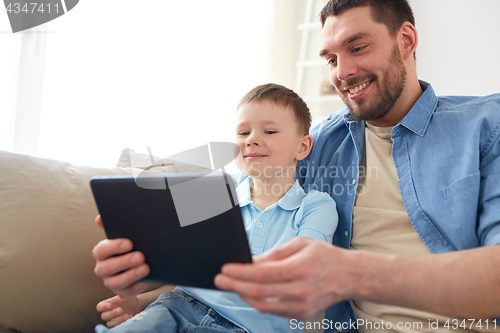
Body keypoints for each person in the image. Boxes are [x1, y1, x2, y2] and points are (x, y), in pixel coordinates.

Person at [93, 1, 500, 332]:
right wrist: (147, 261)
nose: (342, 73)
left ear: (406, 39)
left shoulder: (486, 127)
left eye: (358, 48)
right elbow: (241, 204)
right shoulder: (320, 142)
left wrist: (351, 272)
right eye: (330, 59)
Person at [93, 83, 338, 332]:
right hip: (176, 308)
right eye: (243, 133)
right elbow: (189, 275)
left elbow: (304, 271)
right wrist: (138, 303)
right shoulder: (216, 193)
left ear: (303, 147)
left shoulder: (316, 206)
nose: (252, 140)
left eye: (270, 131)